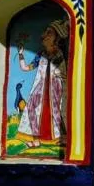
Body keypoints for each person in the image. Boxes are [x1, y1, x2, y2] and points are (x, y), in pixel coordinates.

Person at [16, 18, 69, 150]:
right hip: (40, 88)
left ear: (56, 38)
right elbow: (26, 68)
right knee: (31, 108)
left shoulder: (59, 54)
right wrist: (21, 55)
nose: (44, 36)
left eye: (49, 33)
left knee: (57, 111)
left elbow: (64, 73)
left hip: (55, 88)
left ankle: (61, 137)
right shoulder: (41, 54)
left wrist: (58, 75)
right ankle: (35, 138)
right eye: (45, 32)